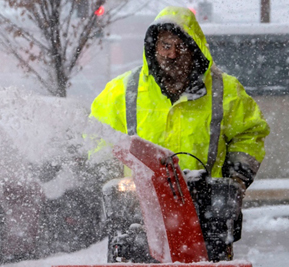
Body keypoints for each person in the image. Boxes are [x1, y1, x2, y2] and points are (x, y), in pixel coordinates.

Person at [91, 6, 269, 190]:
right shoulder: (121, 91)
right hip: (140, 207)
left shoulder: (226, 91)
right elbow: (99, 138)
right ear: (154, 47)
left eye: (181, 46)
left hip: (208, 207)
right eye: (166, 46)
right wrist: (109, 181)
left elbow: (249, 134)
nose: (172, 54)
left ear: (194, 49)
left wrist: (235, 180)